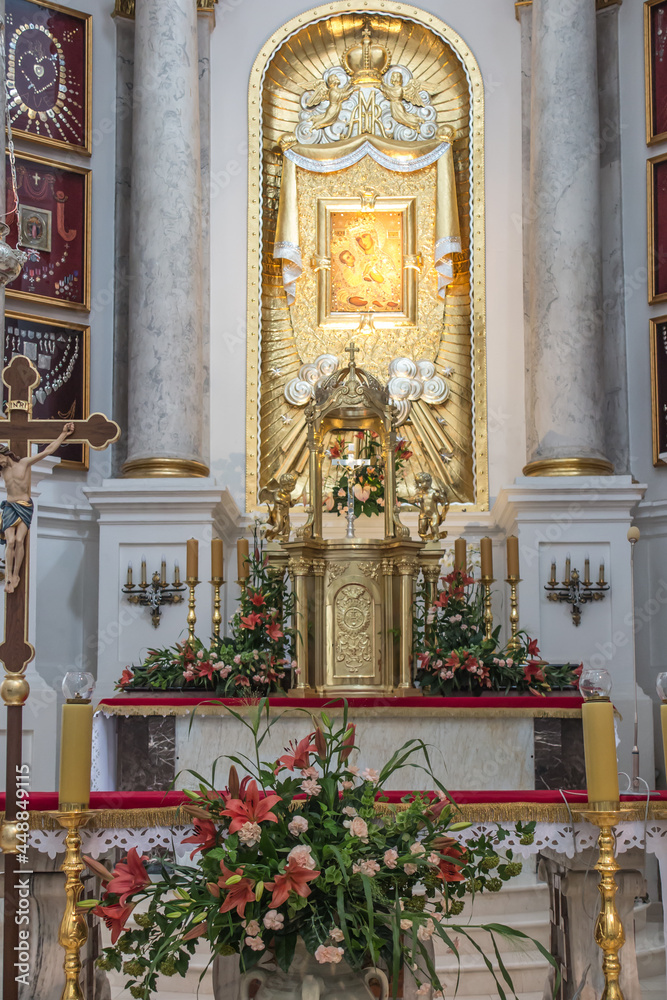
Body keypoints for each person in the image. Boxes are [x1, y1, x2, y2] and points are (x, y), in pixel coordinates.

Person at [0, 421, 75, 593]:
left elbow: (47, 451)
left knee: (19, 541)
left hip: (24, 506)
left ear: (4, 454)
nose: (0, 463)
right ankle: (8, 576)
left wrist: (63, 434)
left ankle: (16, 575)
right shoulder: (2, 470)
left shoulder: (24, 463)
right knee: (9, 541)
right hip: (10, 507)